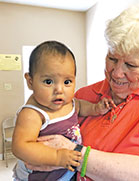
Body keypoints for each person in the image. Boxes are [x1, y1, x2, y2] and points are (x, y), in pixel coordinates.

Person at [28, 3, 139, 180]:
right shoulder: (83, 96)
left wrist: (74, 154)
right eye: (112, 59)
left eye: (131, 65)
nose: (117, 73)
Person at [12, 40, 115, 181]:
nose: (59, 90)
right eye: (48, 82)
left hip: (66, 173)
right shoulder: (33, 114)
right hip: (41, 176)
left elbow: (80, 106)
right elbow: (20, 147)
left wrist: (96, 108)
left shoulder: (69, 103)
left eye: (67, 82)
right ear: (30, 81)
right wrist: (57, 157)